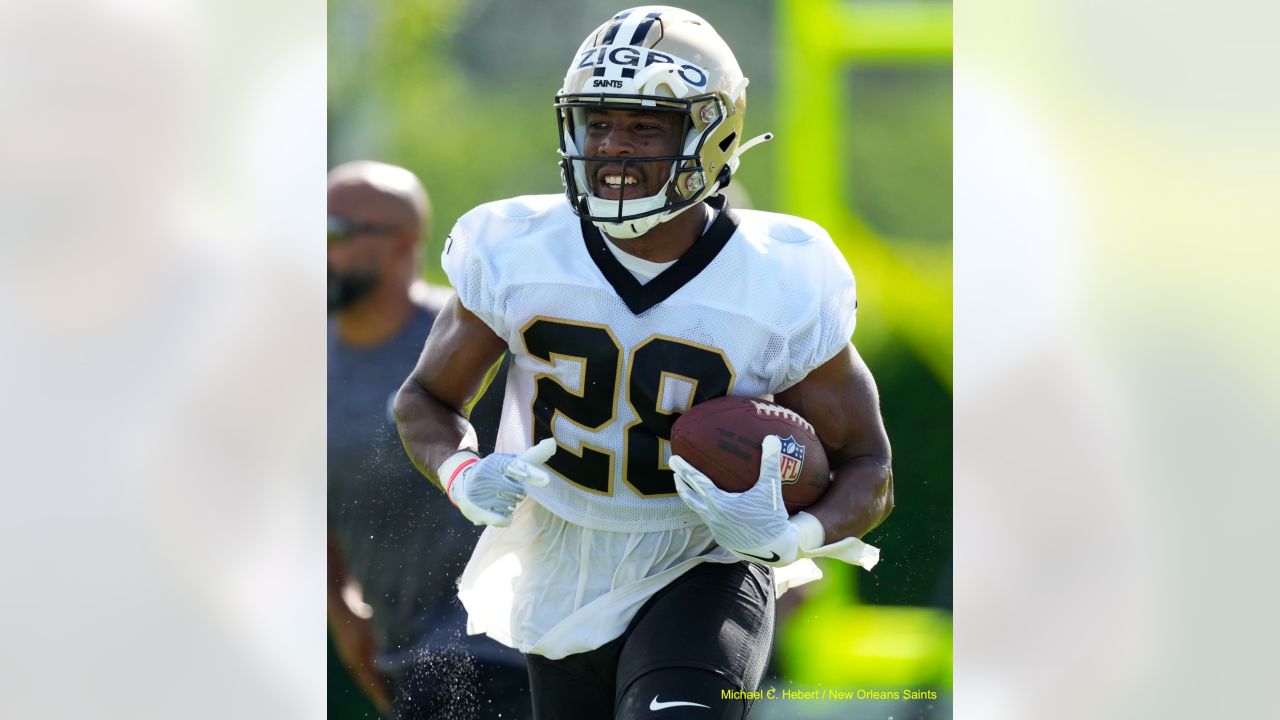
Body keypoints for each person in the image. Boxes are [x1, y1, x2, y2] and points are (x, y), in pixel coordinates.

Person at [394, 7, 894, 718]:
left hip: (704, 561)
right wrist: (462, 471)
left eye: (643, 126)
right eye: (597, 124)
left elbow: (869, 464)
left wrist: (793, 536)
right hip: (562, 561)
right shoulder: (515, 248)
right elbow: (425, 400)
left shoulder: (780, 274)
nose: (611, 149)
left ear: (710, 135)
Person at [327, 160, 525, 719]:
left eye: (333, 232)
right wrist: (344, 619)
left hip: (498, 643)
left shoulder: (475, 340)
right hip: (399, 652)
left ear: (403, 242)